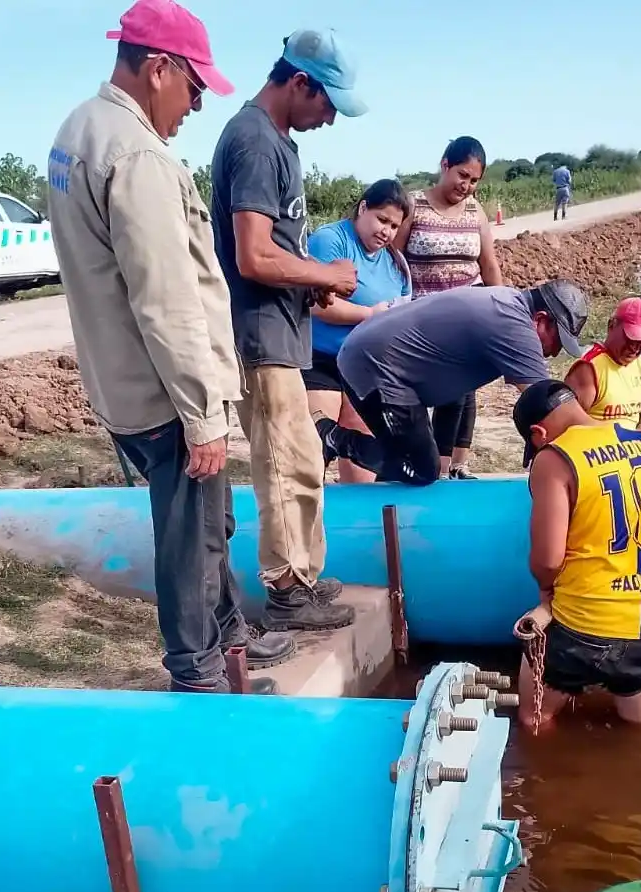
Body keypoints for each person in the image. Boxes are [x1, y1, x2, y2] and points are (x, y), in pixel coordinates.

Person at [46, 0, 290, 694]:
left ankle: (230, 635)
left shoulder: (78, 130)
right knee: (189, 538)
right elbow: (165, 299)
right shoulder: (138, 156)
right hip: (165, 392)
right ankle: (197, 671)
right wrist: (202, 415)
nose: (196, 105)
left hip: (124, 379)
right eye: (193, 86)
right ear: (158, 69)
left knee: (211, 522)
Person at [210, 27, 368, 633]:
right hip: (260, 333)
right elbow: (252, 255)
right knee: (282, 461)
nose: (329, 119)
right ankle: (285, 590)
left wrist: (309, 283)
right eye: (328, 105)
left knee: (301, 459)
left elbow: (277, 249)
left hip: (282, 326)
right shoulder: (254, 141)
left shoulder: (278, 142)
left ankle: (300, 574)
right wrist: (324, 271)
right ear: (300, 83)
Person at [511, 379, 641, 731]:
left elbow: (548, 559)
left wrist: (546, 592)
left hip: (579, 628)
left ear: (538, 433)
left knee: (535, 720)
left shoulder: (554, 458)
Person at [315, 279, 588, 485]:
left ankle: (387, 522)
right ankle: (330, 436)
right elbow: (549, 407)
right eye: (558, 341)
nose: (555, 352)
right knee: (420, 469)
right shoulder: (513, 325)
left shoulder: (506, 302)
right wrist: (593, 449)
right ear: (541, 320)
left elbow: (459, 394)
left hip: (378, 360)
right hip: (376, 367)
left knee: (409, 462)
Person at [395, 136, 505, 480]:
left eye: (474, 180)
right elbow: (392, 258)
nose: (466, 186)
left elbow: (489, 264)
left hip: (467, 320)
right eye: (462, 175)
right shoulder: (414, 205)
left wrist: (503, 308)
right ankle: (428, 466)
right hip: (421, 321)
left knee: (463, 390)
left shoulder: (475, 211)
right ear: (445, 165)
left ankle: (456, 466)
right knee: (433, 393)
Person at [304, 179, 412, 484]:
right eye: (382, 219)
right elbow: (316, 305)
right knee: (313, 451)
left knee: (361, 460)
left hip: (367, 365)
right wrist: (370, 315)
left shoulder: (396, 263)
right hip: (321, 359)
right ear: (363, 208)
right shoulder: (329, 240)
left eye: (394, 226)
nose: (386, 231)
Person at [564, 296, 641, 437]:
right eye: (631, 338)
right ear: (611, 326)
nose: (635, 348)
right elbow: (566, 424)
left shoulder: (639, 363)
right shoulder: (590, 370)